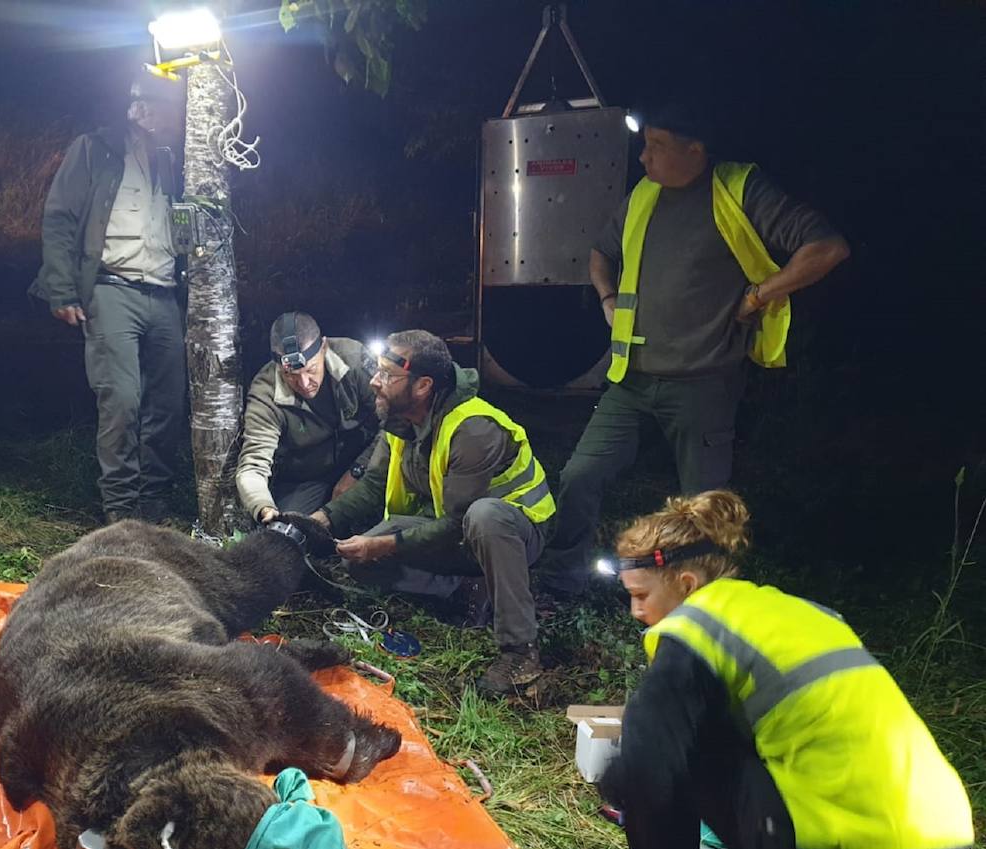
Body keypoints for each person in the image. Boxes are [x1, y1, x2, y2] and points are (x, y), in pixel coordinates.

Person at [600, 490, 972, 849]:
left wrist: (614, 781)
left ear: (686, 584)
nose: (637, 613)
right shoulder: (800, 612)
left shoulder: (690, 633)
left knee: (666, 753)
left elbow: (648, 772)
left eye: (639, 596)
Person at [536, 105, 850, 601]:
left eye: (656, 146)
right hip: (632, 377)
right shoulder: (643, 194)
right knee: (579, 475)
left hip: (705, 382)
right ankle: (558, 581)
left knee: (703, 505)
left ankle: (702, 603)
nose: (644, 158)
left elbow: (826, 248)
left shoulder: (739, 189)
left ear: (695, 150)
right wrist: (607, 298)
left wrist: (762, 293)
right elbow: (601, 253)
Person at [310, 331, 556, 697]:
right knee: (358, 563)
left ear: (423, 385)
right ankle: (468, 588)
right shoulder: (399, 420)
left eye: (387, 376)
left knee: (484, 515)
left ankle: (520, 653)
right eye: (377, 371)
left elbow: (458, 523)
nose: (375, 383)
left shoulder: (473, 428)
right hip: (455, 529)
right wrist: (322, 520)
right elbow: (374, 486)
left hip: (517, 532)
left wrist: (386, 544)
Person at [31, 73, 186, 524]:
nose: (168, 116)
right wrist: (60, 289)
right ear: (136, 107)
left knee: (167, 403)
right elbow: (59, 218)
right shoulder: (94, 150)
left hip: (164, 293)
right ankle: (120, 512)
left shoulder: (174, 158)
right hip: (111, 286)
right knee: (121, 399)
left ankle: (153, 507)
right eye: (158, 105)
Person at [236, 311, 380, 524]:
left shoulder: (353, 359)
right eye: (291, 375)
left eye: (311, 370)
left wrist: (358, 470)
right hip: (309, 476)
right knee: (289, 530)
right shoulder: (265, 392)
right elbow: (253, 465)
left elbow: (394, 424)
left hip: (366, 459)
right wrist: (263, 506)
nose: (304, 383)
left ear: (324, 347)